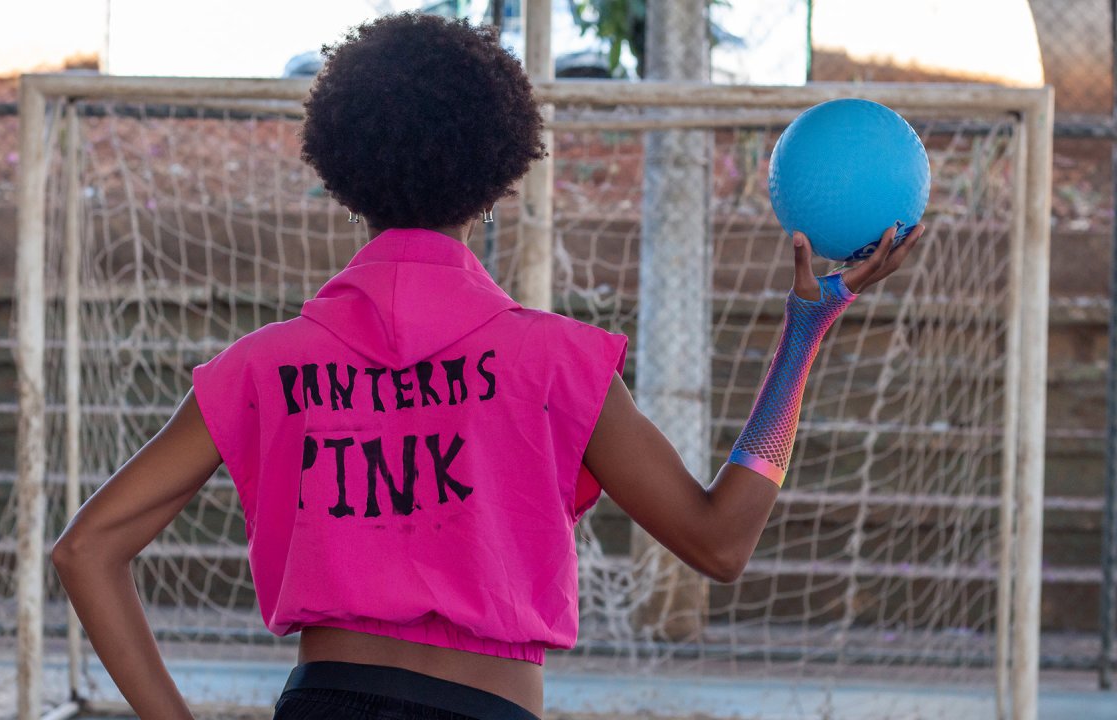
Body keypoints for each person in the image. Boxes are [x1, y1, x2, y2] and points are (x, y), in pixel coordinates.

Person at [50, 11, 924, 720]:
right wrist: (804, 333)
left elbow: (86, 549)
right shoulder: (555, 363)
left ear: (341, 173)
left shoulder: (262, 366)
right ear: (501, 179)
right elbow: (719, 542)